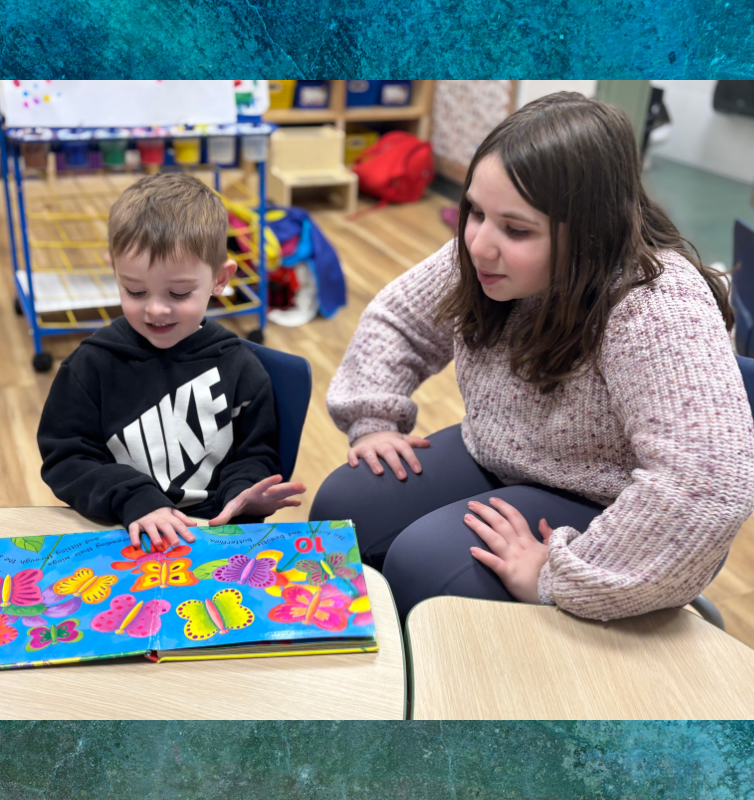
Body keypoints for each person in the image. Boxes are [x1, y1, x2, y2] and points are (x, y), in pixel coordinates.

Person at [311, 92, 754, 623]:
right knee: (345, 507)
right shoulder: (484, 254)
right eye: (475, 212)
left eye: (516, 229)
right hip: (498, 455)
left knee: (426, 566)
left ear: (590, 232)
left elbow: (705, 486)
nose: (478, 245)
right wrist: (372, 418)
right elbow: (399, 318)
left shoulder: (655, 303)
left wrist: (562, 575)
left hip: (607, 501)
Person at [38, 173, 305, 550]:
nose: (156, 309)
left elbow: (254, 454)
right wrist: (134, 498)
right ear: (114, 270)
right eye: (134, 290)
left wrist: (243, 493)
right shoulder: (89, 366)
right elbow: (66, 460)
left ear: (220, 279)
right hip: (116, 529)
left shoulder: (241, 368)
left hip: (211, 535)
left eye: (179, 293)